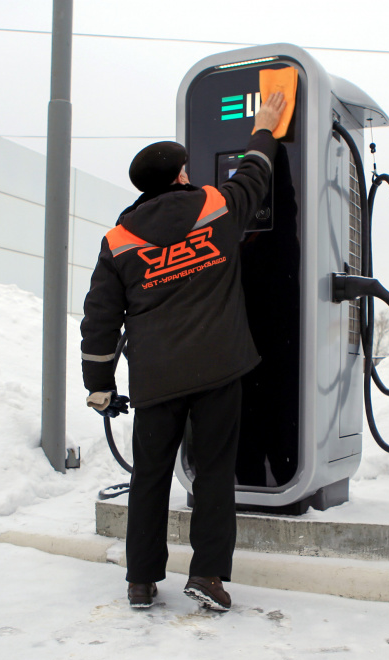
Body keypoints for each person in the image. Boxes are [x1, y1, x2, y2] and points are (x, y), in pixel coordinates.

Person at [80, 92, 288, 612]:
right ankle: (209, 576)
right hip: (219, 369)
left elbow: (100, 319)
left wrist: (99, 387)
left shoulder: (119, 239)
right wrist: (264, 126)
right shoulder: (215, 208)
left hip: (156, 380)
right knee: (214, 473)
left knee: (149, 477)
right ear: (178, 176)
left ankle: (141, 581)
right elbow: (255, 174)